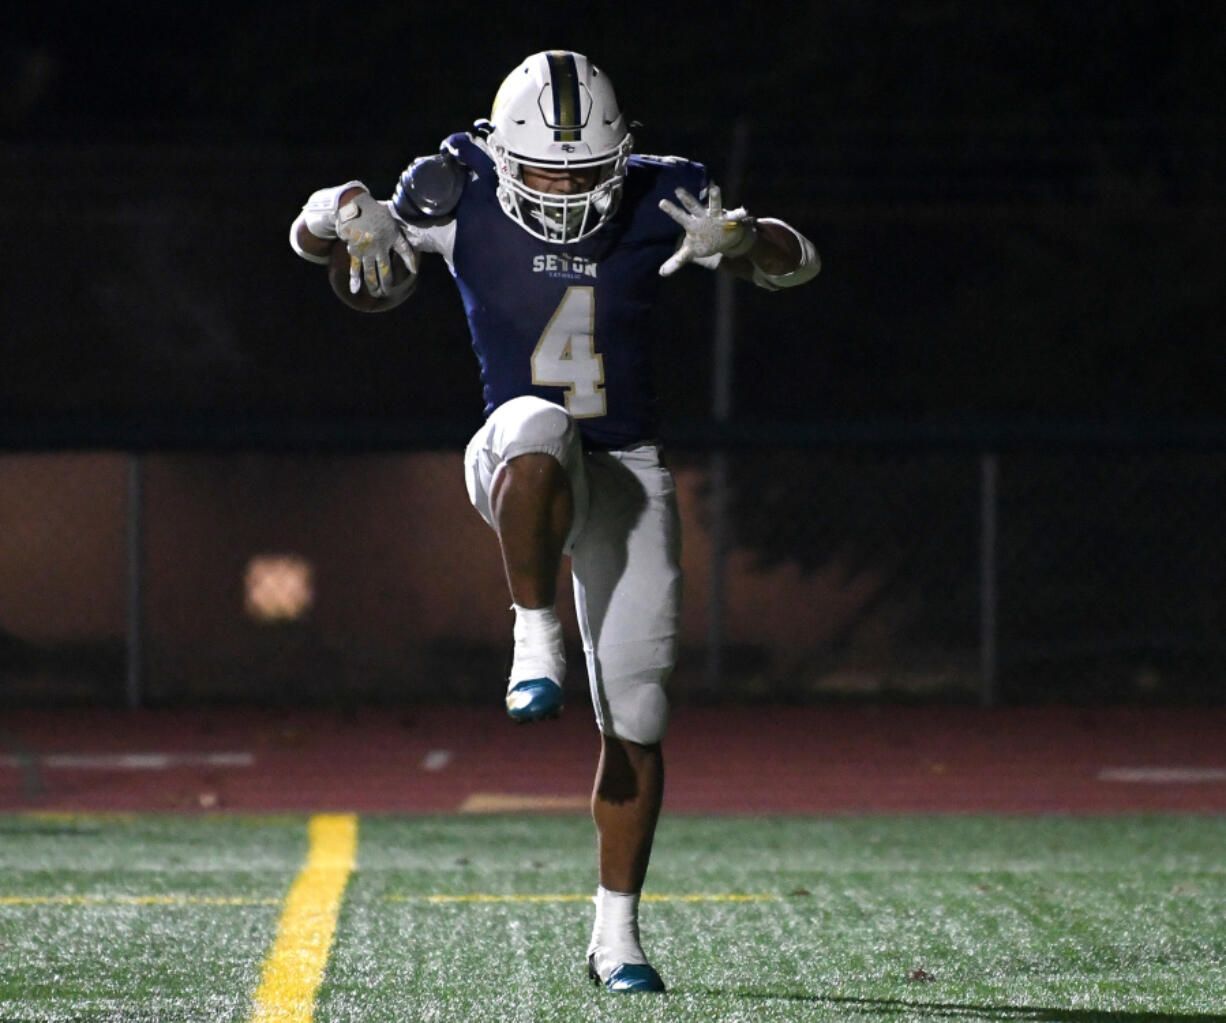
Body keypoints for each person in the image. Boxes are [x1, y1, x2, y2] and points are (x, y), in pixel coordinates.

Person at [289, 49, 819, 994]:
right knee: (538, 421)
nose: (563, 192)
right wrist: (336, 216)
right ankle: (534, 631)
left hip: (628, 469)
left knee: (641, 716)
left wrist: (740, 241)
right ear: (503, 153)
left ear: (620, 156)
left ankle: (617, 938)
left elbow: (795, 261)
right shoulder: (455, 182)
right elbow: (367, 280)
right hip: (513, 458)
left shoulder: (668, 192)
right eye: (543, 171)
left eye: (583, 174)